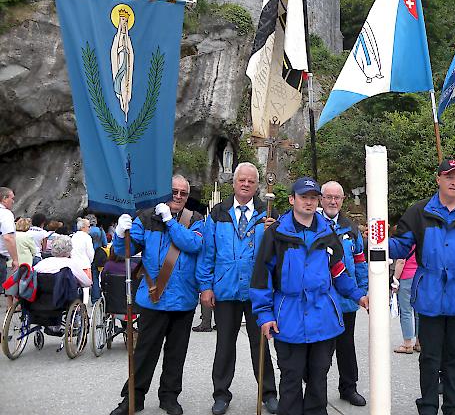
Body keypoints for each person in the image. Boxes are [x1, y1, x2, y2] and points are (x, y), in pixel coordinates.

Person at [250, 177, 368, 415]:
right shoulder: (275, 235)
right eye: (304, 197)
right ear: (292, 199)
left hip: (323, 315)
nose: (309, 202)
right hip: (289, 316)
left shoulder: (328, 234)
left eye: (314, 197)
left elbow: (338, 271)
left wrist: (359, 295)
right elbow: (262, 276)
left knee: (318, 375)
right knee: (291, 376)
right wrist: (264, 315)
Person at [389, 159, 455, 415]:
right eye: (449, 176)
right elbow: (401, 247)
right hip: (430, 296)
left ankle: (453, 407)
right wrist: (377, 240)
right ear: (438, 179)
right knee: (429, 358)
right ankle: (427, 406)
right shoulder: (419, 211)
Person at [109, 174, 204, 415]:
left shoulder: (195, 219)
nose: (179, 196)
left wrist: (170, 221)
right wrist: (120, 234)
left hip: (183, 300)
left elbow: (193, 245)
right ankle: (133, 398)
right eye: (174, 191)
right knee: (144, 353)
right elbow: (126, 251)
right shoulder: (146, 218)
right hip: (154, 297)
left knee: (176, 354)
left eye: (183, 193)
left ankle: (169, 397)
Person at [196, 163, 278, 415]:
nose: (245, 184)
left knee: (261, 345)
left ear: (256, 185)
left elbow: (277, 255)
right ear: (233, 183)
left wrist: (273, 232)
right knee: (224, 346)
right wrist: (206, 287)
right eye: (241, 180)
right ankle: (221, 394)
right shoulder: (218, 213)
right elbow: (207, 253)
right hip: (226, 290)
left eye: (250, 181)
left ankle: (268, 393)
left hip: (257, 292)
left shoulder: (267, 215)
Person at [319, 180, 369, 407]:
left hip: (347, 300)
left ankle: (349, 387)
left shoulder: (351, 229)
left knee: (346, 346)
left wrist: (364, 290)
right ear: (321, 199)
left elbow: (360, 262)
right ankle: (315, 390)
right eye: (328, 196)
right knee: (321, 350)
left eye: (336, 197)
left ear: (342, 200)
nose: (332, 201)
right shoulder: (314, 225)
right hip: (322, 300)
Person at [392, 251, 419, 355]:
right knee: (419, 311)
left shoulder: (405, 238)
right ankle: (419, 342)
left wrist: (395, 279)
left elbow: (401, 262)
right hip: (419, 276)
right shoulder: (422, 237)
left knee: (406, 311)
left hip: (407, 276)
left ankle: (407, 344)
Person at [0, 187, 19, 308]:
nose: (13, 201)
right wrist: (15, 259)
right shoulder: (5, 214)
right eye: (12, 198)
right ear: (4, 199)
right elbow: (8, 237)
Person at [86, 214, 108, 303]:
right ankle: (95, 298)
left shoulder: (86, 231)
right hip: (97, 256)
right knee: (95, 278)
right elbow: (105, 244)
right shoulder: (100, 230)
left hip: (87, 257)